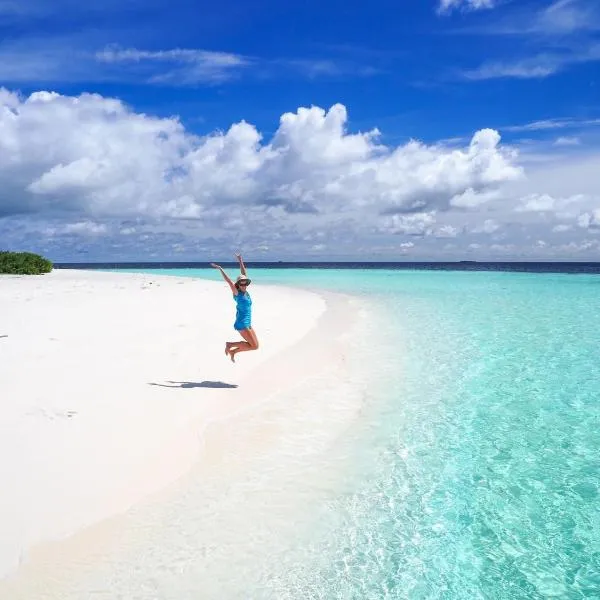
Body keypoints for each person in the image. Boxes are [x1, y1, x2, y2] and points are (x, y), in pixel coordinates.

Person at [210, 253, 259, 362]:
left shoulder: (246, 292)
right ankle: (230, 345)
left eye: (245, 283)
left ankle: (233, 351)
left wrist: (240, 259)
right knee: (254, 346)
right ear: (238, 285)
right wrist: (220, 268)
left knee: (255, 346)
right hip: (242, 323)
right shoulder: (237, 293)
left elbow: (244, 273)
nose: (243, 285)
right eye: (241, 284)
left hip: (248, 322)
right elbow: (229, 281)